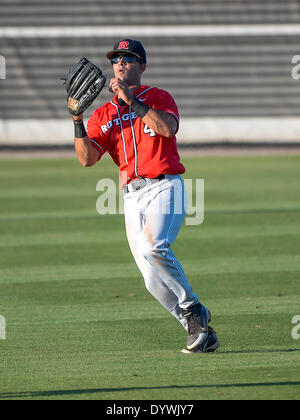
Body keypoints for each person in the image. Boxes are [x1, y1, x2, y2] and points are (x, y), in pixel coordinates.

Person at [71, 39, 219, 353]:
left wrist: (132, 102)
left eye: (128, 58)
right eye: (116, 59)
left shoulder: (159, 97)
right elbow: (87, 158)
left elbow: (167, 128)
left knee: (155, 246)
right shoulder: (102, 115)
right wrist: (77, 121)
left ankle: (194, 308)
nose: (121, 63)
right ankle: (199, 332)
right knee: (151, 281)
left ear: (142, 66)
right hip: (130, 197)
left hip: (166, 186)